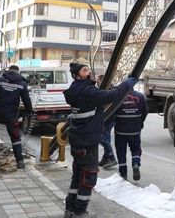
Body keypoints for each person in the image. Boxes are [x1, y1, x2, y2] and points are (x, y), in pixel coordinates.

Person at [63, 62, 136, 218]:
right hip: (88, 142)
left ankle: (70, 208)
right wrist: (126, 84)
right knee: (89, 176)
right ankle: (80, 211)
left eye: (88, 68)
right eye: (85, 70)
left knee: (77, 175)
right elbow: (111, 96)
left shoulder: (74, 90)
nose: (89, 71)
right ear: (77, 75)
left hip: (78, 139)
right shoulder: (88, 92)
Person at [113, 89, 147, 181]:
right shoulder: (140, 96)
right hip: (134, 130)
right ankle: (135, 163)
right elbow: (144, 112)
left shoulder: (118, 97)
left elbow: (113, 113)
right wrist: (140, 122)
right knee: (136, 149)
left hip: (120, 130)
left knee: (121, 152)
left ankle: (123, 174)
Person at [96, 75, 117, 169]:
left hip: (108, 118)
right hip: (109, 118)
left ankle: (111, 157)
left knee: (103, 138)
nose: (97, 83)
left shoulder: (108, 90)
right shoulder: (110, 88)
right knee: (106, 137)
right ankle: (105, 158)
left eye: (98, 81)